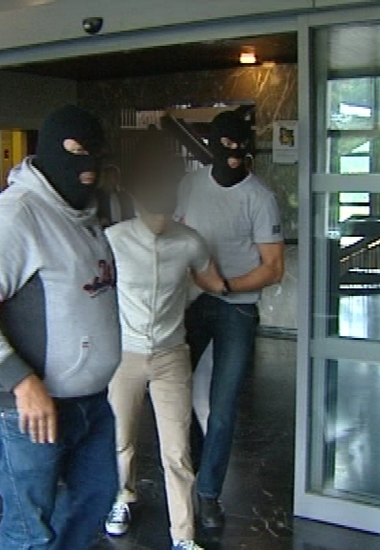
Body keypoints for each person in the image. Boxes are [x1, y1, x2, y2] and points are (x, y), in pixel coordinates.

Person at [0, 105, 121, 550]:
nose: (88, 165)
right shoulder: (14, 216)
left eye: (96, 153)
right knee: (29, 530)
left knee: (94, 500)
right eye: (76, 151)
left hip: (90, 402)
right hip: (26, 409)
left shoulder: (85, 214)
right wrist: (21, 382)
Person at [103, 133, 223, 550]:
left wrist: (193, 293)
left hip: (172, 355)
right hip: (125, 356)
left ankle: (183, 536)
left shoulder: (189, 241)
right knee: (121, 440)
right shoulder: (114, 240)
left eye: (165, 211)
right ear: (137, 201)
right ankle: (123, 497)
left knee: (177, 450)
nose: (159, 219)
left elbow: (211, 281)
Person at [176, 110, 285, 529]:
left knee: (222, 409)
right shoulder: (190, 185)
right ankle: (193, 468)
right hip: (191, 304)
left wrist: (223, 286)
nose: (235, 154)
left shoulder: (259, 198)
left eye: (242, 146)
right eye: (227, 146)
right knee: (174, 395)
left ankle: (208, 494)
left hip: (236, 309)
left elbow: (273, 268)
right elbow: (177, 236)